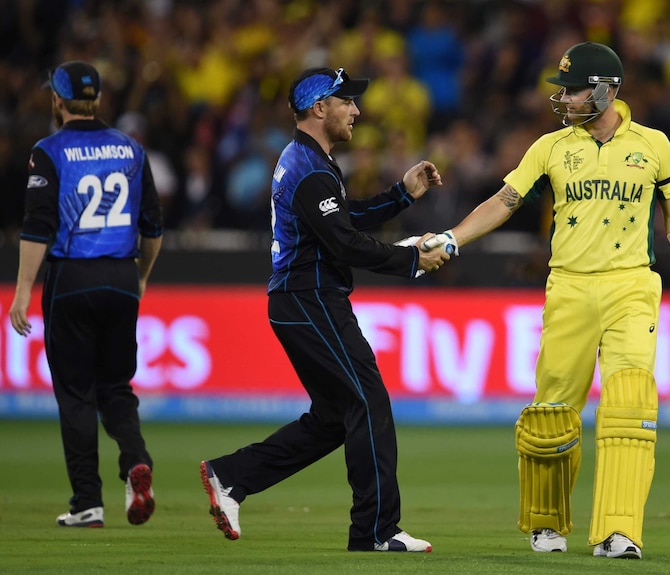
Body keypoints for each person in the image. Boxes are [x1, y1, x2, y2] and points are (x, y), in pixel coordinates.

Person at [429, 42, 670, 559]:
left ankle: (619, 531)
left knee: (630, 405)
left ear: (606, 90)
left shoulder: (653, 145)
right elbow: (504, 200)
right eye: (562, 90)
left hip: (632, 286)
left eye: (573, 89)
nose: (563, 99)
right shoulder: (549, 147)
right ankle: (547, 524)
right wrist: (453, 237)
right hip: (567, 286)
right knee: (551, 412)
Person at [199, 66, 450, 552]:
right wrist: (412, 260)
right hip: (309, 298)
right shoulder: (311, 169)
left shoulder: (306, 162)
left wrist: (402, 194)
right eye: (346, 102)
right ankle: (376, 532)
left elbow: (343, 218)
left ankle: (230, 477)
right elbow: (344, 243)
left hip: (299, 299)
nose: (356, 111)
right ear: (319, 108)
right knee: (368, 400)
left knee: (336, 417)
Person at [9, 61, 163, 528]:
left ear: (57, 100)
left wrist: (21, 294)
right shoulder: (131, 150)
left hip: (71, 280)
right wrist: (140, 277)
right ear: (97, 100)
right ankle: (136, 461)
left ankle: (87, 502)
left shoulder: (48, 151)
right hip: (120, 276)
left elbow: (38, 229)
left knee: (75, 393)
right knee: (115, 387)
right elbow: (153, 228)